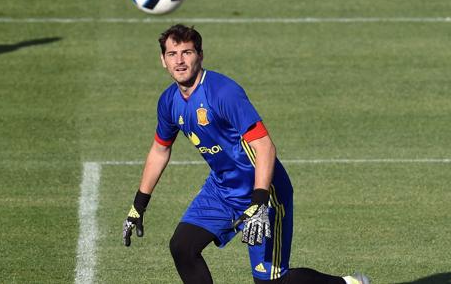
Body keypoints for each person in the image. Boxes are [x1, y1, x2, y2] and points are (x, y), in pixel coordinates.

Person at [122, 24, 370, 284]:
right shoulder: (168, 101)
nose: (180, 61)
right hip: (221, 190)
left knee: (270, 281)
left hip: (264, 191)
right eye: (172, 54)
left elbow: (264, 147)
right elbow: (160, 149)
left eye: (187, 52)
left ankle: (348, 283)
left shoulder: (223, 93)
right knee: (183, 247)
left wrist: (260, 203)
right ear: (163, 60)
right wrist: (139, 205)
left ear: (200, 55)